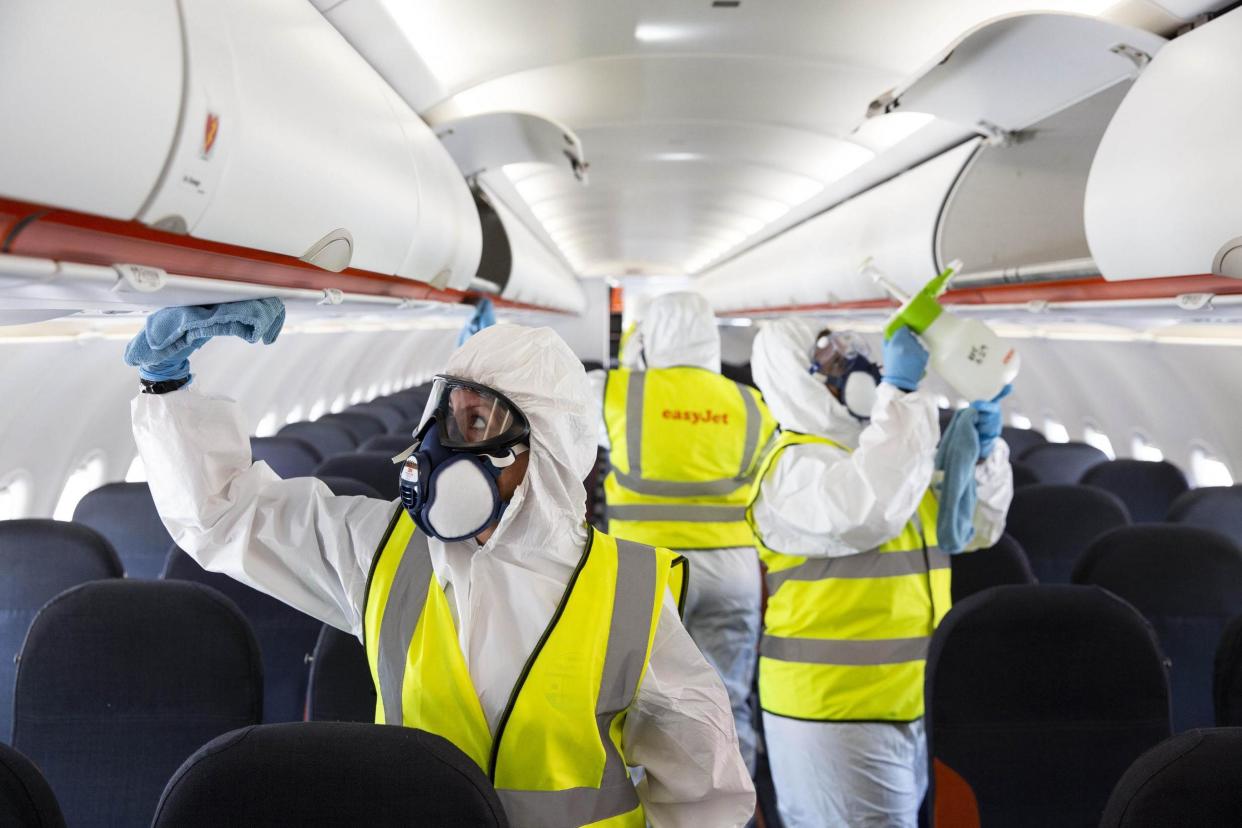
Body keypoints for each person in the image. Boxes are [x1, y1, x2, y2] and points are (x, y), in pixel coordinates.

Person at [127, 302, 755, 828]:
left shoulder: (627, 593)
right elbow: (230, 517)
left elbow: (707, 794)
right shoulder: (383, 552)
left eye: (476, 421)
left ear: (543, 451)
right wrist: (168, 388)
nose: (436, 449)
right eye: (445, 417)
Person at [746, 318, 1014, 828]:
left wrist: (982, 457)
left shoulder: (891, 456)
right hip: (830, 709)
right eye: (831, 359)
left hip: (908, 698)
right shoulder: (793, 466)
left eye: (852, 352)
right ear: (795, 376)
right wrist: (904, 397)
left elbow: (978, 528)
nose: (857, 366)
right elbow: (870, 511)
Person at [591, 291, 776, 775]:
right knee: (728, 707)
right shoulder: (753, 404)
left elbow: (548, 416)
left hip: (646, 578)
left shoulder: (617, 391)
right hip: (732, 579)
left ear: (651, 337)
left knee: (637, 709)